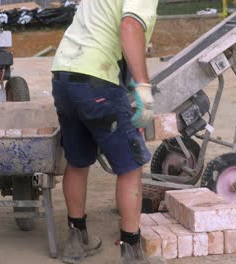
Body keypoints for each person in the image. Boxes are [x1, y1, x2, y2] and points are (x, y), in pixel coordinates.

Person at [51, 0, 164, 263]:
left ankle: (76, 241)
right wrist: (144, 87)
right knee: (130, 167)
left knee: (77, 161)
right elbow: (130, 26)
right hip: (97, 79)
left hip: (63, 75)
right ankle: (132, 252)